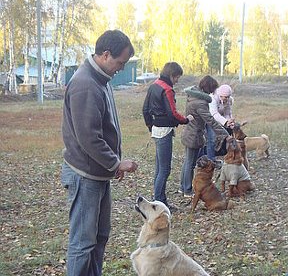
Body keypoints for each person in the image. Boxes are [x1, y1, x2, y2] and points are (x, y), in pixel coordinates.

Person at [61, 30, 138, 276]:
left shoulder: (101, 80)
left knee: (100, 236)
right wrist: (115, 163)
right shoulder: (86, 84)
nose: (121, 68)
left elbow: (104, 128)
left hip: (97, 174)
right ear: (106, 55)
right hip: (84, 176)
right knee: (83, 244)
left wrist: (112, 165)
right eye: (120, 63)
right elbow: (89, 138)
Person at [142, 62, 193, 210]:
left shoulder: (153, 85)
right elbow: (172, 113)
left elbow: (145, 109)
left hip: (156, 130)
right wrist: (186, 120)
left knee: (159, 168)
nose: (177, 80)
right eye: (177, 77)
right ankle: (160, 203)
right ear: (172, 75)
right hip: (164, 131)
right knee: (164, 169)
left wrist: (150, 126)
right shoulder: (167, 89)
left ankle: (159, 199)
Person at [179, 76, 231, 197]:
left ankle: (182, 187)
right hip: (194, 135)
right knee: (190, 164)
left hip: (189, 132)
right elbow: (210, 121)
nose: (213, 92)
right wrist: (226, 134)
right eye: (213, 89)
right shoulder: (200, 103)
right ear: (208, 88)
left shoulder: (193, 96)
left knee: (187, 162)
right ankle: (187, 190)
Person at [206, 84, 235, 161]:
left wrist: (230, 122)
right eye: (222, 97)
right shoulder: (213, 99)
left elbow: (227, 113)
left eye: (227, 97)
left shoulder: (230, 100)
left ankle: (225, 154)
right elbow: (214, 114)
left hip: (221, 119)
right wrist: (225, 122)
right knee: (211, 139)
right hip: (210, 119)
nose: (224, 99)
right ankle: (210, 160)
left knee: (226, 136)